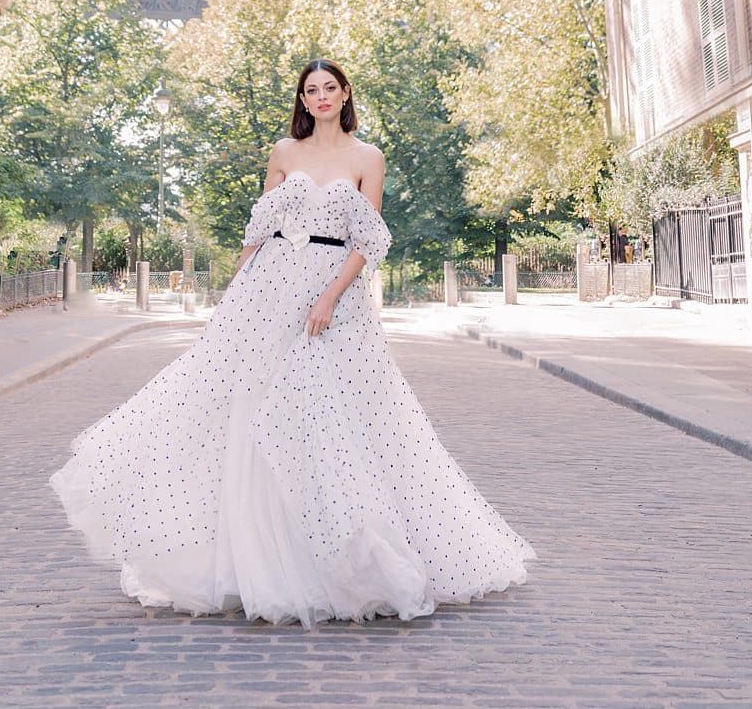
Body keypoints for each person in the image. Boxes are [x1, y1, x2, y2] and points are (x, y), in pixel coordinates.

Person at [49, 58, 533, 626]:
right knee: (251, 408)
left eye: (330, 87)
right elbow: (260, 230)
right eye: (311, 90)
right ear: (302, 101)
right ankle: (253, 562)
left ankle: (337, 557)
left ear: (345, 93)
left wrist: (329, 296)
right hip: (270, 291)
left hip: (333, 296)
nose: (321, 96)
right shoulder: (284, 153)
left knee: (330, 414)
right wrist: (236, 290)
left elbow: (368, 240)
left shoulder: (367, 158)